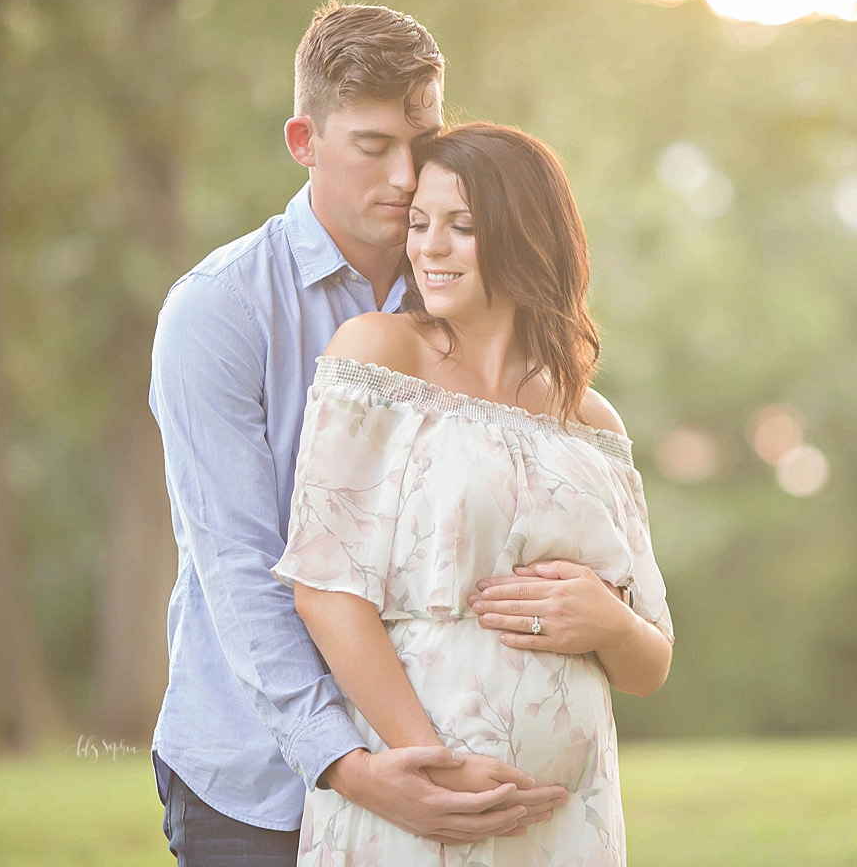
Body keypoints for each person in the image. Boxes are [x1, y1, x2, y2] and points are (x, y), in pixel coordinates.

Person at [148, 3, 637, 865]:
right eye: (373, 146)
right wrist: (349, 760)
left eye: (423, 139)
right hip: (258, 776)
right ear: (304, 140)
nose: (409, 176)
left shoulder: (466, 294)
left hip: (463, 772)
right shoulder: (219, 310)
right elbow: (237, 563)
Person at [270, 122, 674, 865]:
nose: (430, 248)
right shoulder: (378, 353)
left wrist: (608, 624)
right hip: (421, 799)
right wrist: (434, 772)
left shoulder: (589, 417)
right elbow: (326, 591)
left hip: (566, 821)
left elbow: (651, 661)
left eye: (462, 227)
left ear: (525, 237)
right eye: (420, 225)